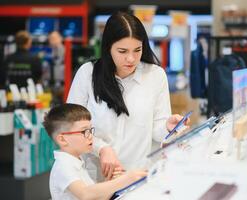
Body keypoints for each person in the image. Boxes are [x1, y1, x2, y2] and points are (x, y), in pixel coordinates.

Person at [67, 11, 188, 181]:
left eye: (137, 50)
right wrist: (101, 148)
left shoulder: (155, 75)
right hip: (96, 179)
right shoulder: (88, 73)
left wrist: (168, 127)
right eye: (122, 51)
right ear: (108, 47)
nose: (131, 59)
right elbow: (71, 127)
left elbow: (157, 130)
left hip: (138, 177)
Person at [43, 103, 147, 200]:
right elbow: (85, 194)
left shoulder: (76, 162)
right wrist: (126, 179)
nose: (91, 136)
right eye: (84, 131)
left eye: (90, 130)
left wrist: (110, 181)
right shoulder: (63, 166)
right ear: (62, 139)